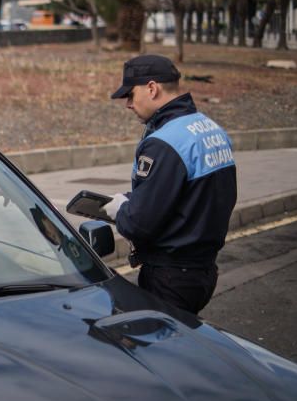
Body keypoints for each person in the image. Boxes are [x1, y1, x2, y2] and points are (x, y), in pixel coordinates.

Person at [101, 54, 237, 314]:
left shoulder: (164, 142)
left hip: (170, 276)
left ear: (152, 88)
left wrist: (121, 210)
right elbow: (192, 195)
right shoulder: (210, 129)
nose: (128, 104)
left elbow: (139, 223)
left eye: (130, 94)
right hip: (203, 270)